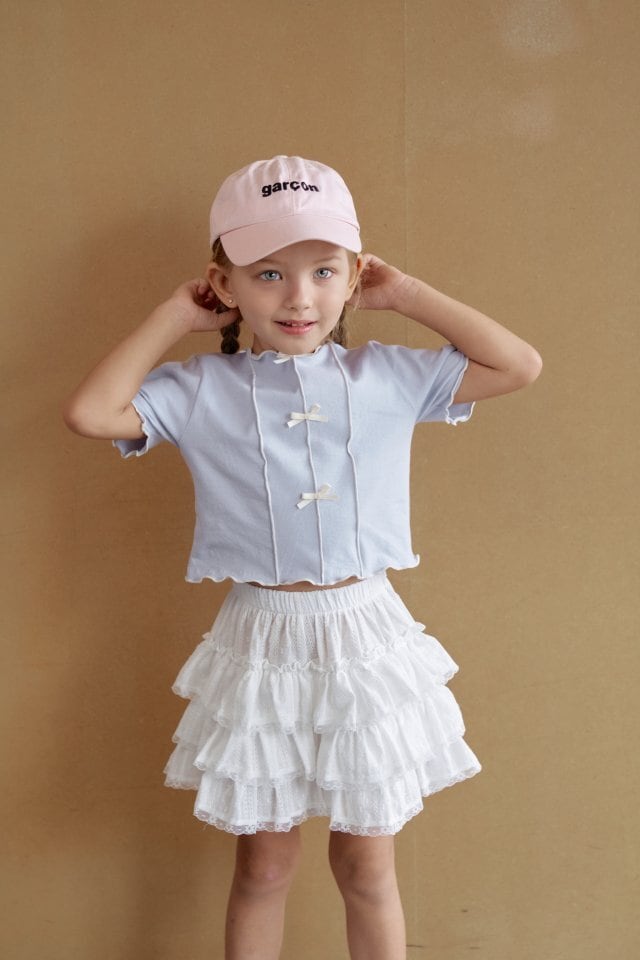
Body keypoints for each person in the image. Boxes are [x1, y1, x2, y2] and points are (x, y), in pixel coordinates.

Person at [63, 155, 542, 960]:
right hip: (262, 640)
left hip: (364, 639)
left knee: (366, 865)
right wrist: (172, 316)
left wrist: (406, 294)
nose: (298, 297)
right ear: (224, 285)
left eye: (324, 271)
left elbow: (518, 364)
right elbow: (89, 413)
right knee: (264, 866)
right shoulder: (199, 389)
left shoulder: (387, 376)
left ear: (354, 277)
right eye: (268, 274)